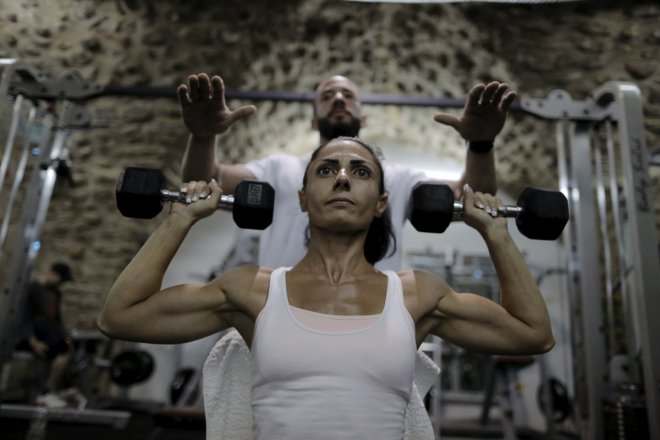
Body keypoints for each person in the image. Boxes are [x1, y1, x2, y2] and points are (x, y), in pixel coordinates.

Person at [98, 137, 554, 439]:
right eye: (326, 170)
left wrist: (496, 234)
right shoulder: (253, 290)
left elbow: (532, 334)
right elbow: (120, 317)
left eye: (359, 171)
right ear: (301, 199)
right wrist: (179, 220)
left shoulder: (416, 295)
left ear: (380, 204)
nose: (341, 177)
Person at [177, 73, 517, 270]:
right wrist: (203, 137)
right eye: (327, 96)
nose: (338, 99)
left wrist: (481, 145)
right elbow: (204, 182)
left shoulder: (395, 178)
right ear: (313, 119)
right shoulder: (280, 169)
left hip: (369, 315)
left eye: (347, 95)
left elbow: (474, 201)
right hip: (283, 313)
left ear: (364, 116)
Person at [15, 262, 74, 407]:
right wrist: (33, 341)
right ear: (54, 274)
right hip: (35, 338)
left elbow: (57, 319)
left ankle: (51, 390)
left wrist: (66, 335)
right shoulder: (33, 289)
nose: (61, 284)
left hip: (51, 337)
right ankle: (46, 392)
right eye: (61, 280)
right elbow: (25, 316)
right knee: (61, 353)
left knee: (68, 349)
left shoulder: (55, 293)